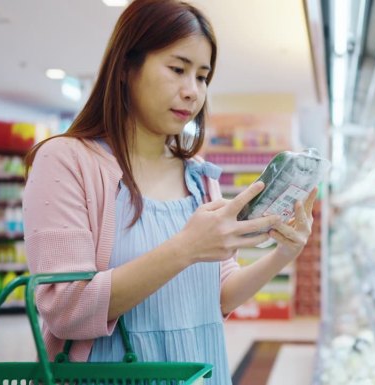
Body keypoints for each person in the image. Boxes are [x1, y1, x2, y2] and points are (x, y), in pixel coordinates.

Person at [22, 1, 317, 384]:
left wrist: (286, 252)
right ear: (127, 66)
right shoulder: (66, 161)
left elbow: (220, 296)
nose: (193, 92)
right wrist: (186, 248)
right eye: (178, 69)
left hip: (202, 370)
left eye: (203, 77)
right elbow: (65, 308)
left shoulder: (199, 178)